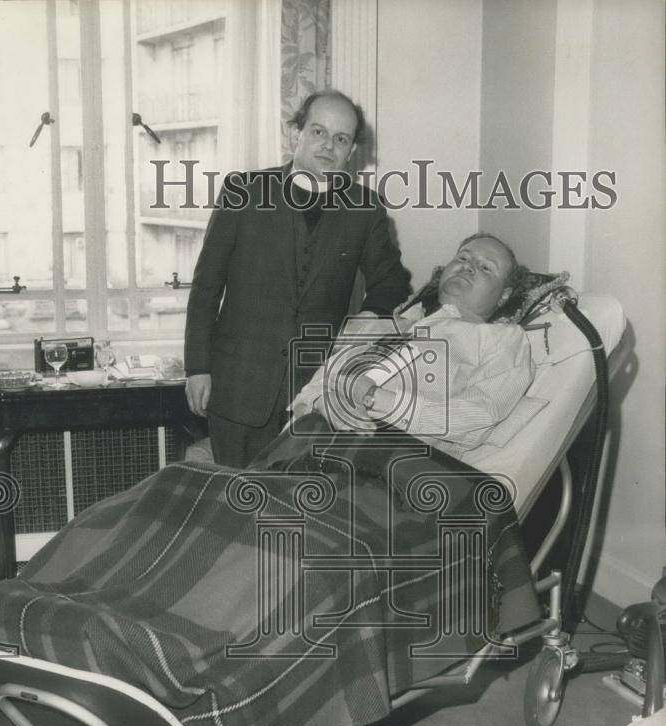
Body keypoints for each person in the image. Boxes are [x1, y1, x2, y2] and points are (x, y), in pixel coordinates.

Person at [184, 89, 410, 468]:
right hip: (237, 385)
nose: (329, 146)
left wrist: (368, 318)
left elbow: (392, 282)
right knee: (235, 497)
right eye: (319, 132)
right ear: (296, 134)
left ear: (352, 150)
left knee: (300, 500)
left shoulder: (365, 208)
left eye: (341, 138)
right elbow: (206, 286)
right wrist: (197, 367)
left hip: (314, 396)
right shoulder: (243, 191)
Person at [289, 233, 537, 461]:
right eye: (463, 257)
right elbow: (316, 384)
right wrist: (323, 403)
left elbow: (479, 416)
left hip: (386, 459)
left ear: (505, 295)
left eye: (485, 267)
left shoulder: (502, 338)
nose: (468, 266)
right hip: (304, 441)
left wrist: (373, 397)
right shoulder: (392, 324)